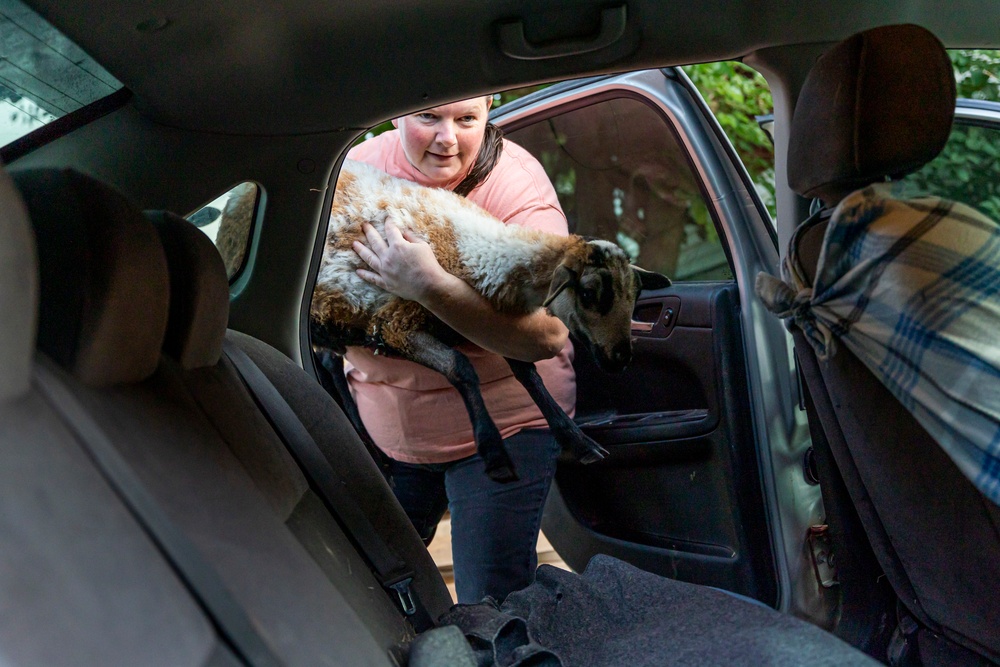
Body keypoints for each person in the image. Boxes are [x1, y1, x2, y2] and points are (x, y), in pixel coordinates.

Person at [344, 95, 576, 604]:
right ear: (397, 111)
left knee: (489, 603)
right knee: (366, 586)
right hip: (390, 429)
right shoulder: (357, 167)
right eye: (428, 116)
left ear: (489, 110)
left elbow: (549, 334)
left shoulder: (517, 187)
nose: (448, 138)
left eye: (466, 120)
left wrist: (427, 284)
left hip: (506, 425)